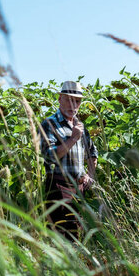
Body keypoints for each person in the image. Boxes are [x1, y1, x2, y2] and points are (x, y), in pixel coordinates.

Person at [39, 81, 98, 240]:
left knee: (76, 235)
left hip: (79, 188)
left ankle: (75, 264)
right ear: (59, 99)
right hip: (58, 187)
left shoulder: (80, 126)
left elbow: (92, 152)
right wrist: (72, 139)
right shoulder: (50, 124)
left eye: (77, 101)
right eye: (69, 100)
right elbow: (49, 155)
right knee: (60, 236)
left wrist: (90, 176)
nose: (73, 105)